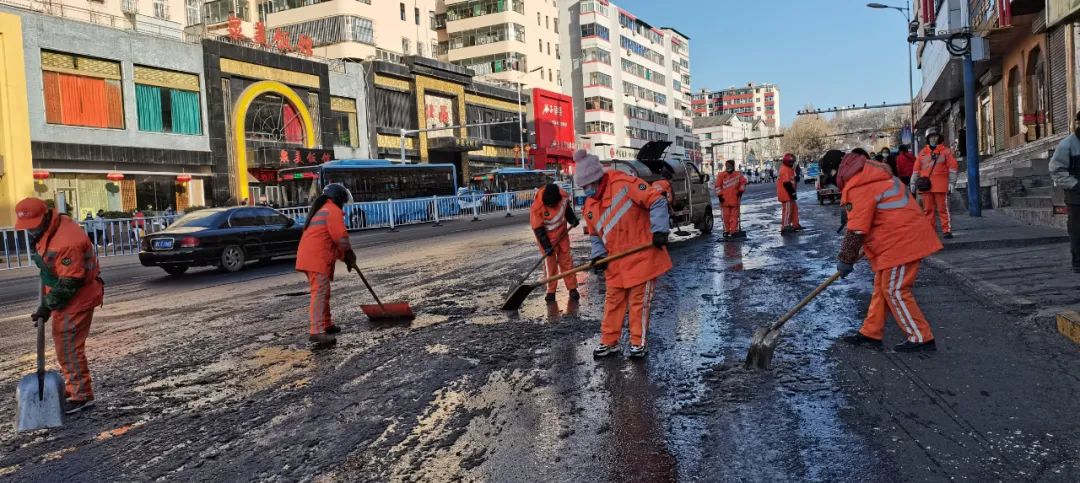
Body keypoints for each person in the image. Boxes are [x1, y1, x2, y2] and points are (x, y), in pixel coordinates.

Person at [834, 152, 942, 352]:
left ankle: (921, 337)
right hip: (896, 239)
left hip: (902, 242)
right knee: (882, 286)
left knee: (894, 289)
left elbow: (857, 229)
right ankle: (871, 333)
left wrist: (846, 259)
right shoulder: (871, 176)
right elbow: (882, 216)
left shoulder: (859, 185)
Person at [573, 149, 671, 359]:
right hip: (616, 261)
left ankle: (638, 343)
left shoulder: (624, 185)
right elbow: (595, 234)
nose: (585, 191)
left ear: (596, 179)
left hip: (642, 258)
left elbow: (657, 200)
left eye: (586, 186)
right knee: (612, 303)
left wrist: (660, 230)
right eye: (582, 188)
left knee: (638, 304)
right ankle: (610, 342)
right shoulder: (590, 205)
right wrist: (599, 256)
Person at [15, 198, 104, 413]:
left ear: (46, 216)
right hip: (65, 295)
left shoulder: (67, 241)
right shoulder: (50, 229)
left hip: (76, 297)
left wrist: (46, 307)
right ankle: (74, 387)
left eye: (33, 225)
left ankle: (82, 395)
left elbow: (69, 282)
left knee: (68, 346)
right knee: (64, 344)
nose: (31, 231)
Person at [295, 183, 357, 347]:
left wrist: (346, 258)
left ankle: (327, 324)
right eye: (343, 202)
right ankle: (316, 331)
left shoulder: (323, 209)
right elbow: (341, 237)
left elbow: (333, 244)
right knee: (320, 293)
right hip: (316, 258)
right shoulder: (332, 211)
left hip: (312, 257)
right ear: (338, 199)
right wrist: (349, 253)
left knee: (324, 291)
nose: (343, 205)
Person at [530, 183, 580, 302]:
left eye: (554, 204)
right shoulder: (537, 207)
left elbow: (567, 210)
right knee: (550, 265)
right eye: (550, 205)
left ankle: (572, 288)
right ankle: (551, 291)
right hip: (546, 238)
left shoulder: (562, 197)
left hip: (562, 235)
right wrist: (547, 247)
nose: (552, 206)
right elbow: (538, 229)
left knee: (566, 262)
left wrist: (572, 219)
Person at [911, 127, 959, 238]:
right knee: (928, 209)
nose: (933, 138)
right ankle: (930, 231)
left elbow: (953, 168)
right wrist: (913, 183)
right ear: (928, 139)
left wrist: (952, 182)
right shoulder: (922, 153)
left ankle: (946, 230)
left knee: (943, 208)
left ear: (939, 137)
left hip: (940, 185)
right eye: (931, 137)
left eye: (935, 136)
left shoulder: (946, 152)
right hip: (925, 186)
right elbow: (916, 170)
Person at [1049, 110, 1080, 273]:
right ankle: (1078, 261)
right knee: (1077, 230)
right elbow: (1057, 170)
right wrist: (1075, 185)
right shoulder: (1067, 144)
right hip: (1076, 197)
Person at [714, 159, 748, 238]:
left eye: (730, 166)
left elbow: (743, 183)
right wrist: (720, 196)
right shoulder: (721, 175)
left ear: (733, 166)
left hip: (735, 199)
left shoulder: (738, 175)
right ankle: (726, 231)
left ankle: (733, 231)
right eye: (727, 166)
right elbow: (717, 186)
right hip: (724, 200)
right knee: (726, 217)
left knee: (734, 217)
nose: (728, 167)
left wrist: (740, 191)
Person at [777, 153, 802, 234]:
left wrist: (796, 177)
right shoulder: (785, 169)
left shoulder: (788, 168)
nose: (793, 164)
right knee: (787, 211)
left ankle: (795, 224)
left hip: (789, 193)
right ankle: (785, 226)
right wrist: (792, 193)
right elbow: (787, 183)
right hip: (786, 194)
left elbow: (791, 180)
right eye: (791, 162)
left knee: (794, 209)